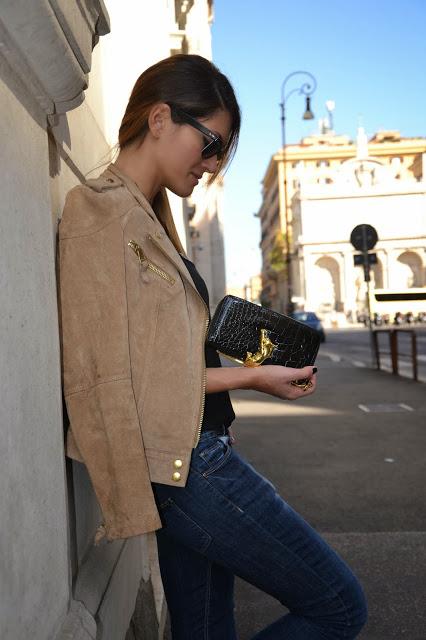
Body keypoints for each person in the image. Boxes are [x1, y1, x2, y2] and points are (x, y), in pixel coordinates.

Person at [58, 54, 367, 639]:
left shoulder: (150, 216)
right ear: (158, 119)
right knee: (338, 605)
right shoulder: (99, 213)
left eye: (220, 151)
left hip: (196, 452)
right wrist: (252, 378)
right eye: (209, 143)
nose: (214, 163)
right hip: (188, 468)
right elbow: (113, 380)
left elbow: (166, 352)